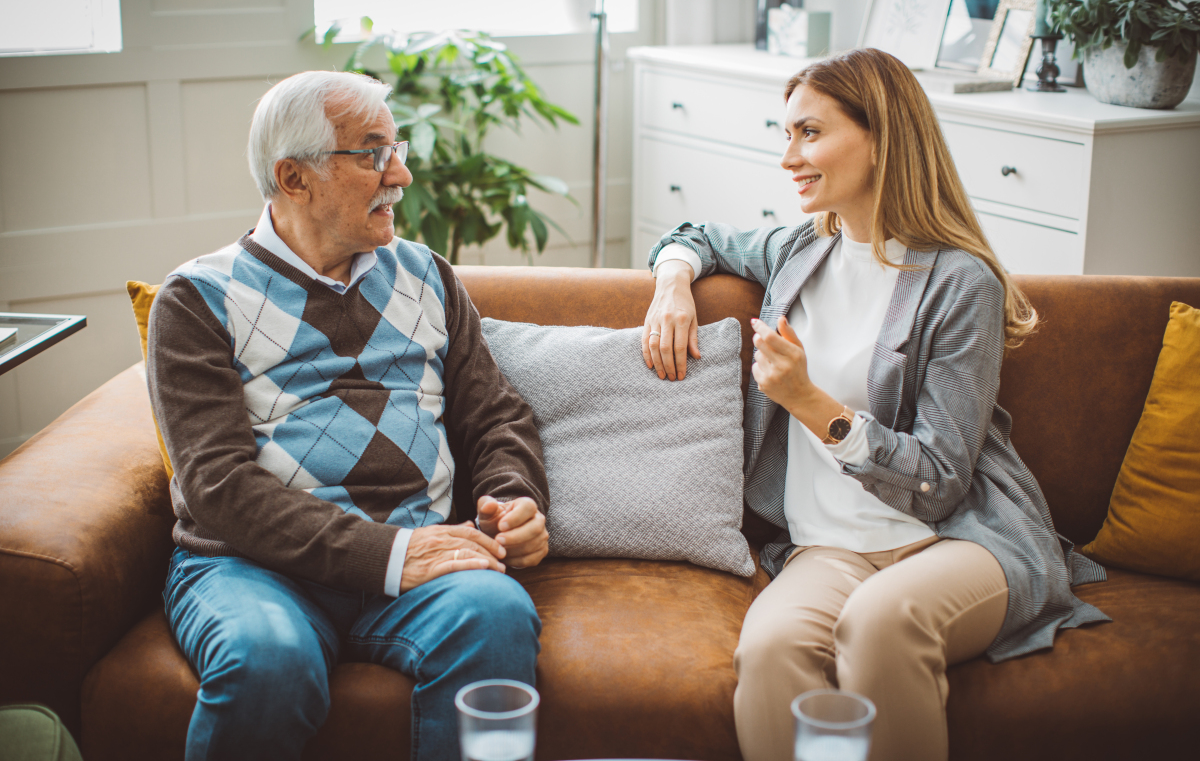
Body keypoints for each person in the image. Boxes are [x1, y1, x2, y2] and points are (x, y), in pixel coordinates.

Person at [641, 48, 1108, 761]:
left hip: (955, 539)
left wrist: (810, 403)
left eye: (810, 133)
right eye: (787, 134)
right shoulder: (802, 251)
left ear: (881, 137)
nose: (789, 157)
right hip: (830, 550)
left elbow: (941, 479)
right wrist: (672, 284)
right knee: (767, 653)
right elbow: (694, 236)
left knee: (881, 627)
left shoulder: (961, 283)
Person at [147, 70, 550, 761]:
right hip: (253, 568)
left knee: (497, 615)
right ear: (294, 178)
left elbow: (496, 416)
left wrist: (514, 500)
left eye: (396, 148)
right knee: (265, 659)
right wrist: (388, 554)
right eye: (372, 153)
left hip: (420, 560)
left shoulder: (426, 275)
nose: (402, 174)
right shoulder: (197, 299)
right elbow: (218, 486)